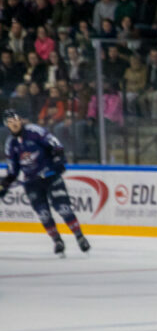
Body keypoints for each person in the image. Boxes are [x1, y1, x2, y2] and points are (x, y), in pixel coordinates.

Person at [1, 110, 90, 257]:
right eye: (10, 122)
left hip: (51, 177)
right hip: (32, 183)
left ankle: (80, 237)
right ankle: (57, 241)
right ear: (7, 126)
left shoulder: (35, 131)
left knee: (63, 208)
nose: (14, 124)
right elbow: (13, 171)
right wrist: (5, 184)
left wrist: (59, 161)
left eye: (15, 120)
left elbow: (56, 146)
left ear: (21, 120)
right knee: (43, 214)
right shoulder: (10, 144)